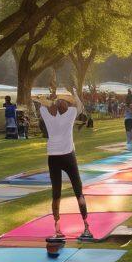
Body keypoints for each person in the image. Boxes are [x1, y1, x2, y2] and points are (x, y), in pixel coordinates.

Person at [37, 90, 93, 241]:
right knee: (78, 190)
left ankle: (57, 228)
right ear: (66, 108)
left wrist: (51, 99)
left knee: (56, 194)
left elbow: (43, 104)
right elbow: (78, 104)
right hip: (68, 156)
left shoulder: (47, 115)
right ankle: (86, 226)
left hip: (53, 157)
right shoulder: (70, 114)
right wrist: (74, 92)